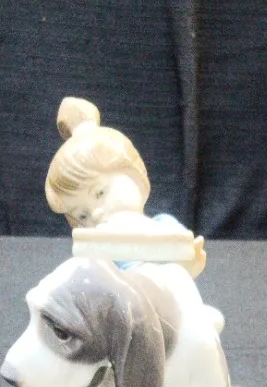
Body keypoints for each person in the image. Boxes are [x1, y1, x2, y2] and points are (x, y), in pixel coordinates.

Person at [45, 97, 206, 277]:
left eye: (100, 193)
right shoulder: (103, 254)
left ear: (132, 173)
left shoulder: (163, 225)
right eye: (83, 216)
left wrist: (188, 261)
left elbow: (184, 255)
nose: (96, 214)